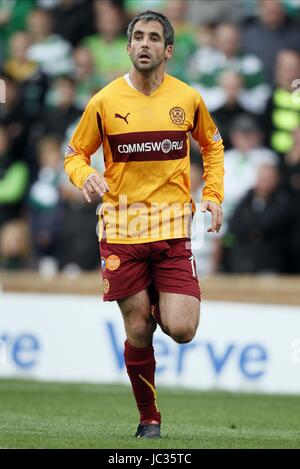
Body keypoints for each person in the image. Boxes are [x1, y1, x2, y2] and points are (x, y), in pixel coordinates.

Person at [64, 10, 224, 439]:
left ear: (168, 50)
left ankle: (157, 303)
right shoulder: (104, 102)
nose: (145, 44)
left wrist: (212, 196)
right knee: (137, 328)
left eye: (154, 38)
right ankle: (149, 418)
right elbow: (74, 154)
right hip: (121, 230)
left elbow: (212, 146)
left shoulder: (187, 99)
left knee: (183, 329)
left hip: (172, 229)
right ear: (128, 46)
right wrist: (85, 175)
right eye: (138, 37)